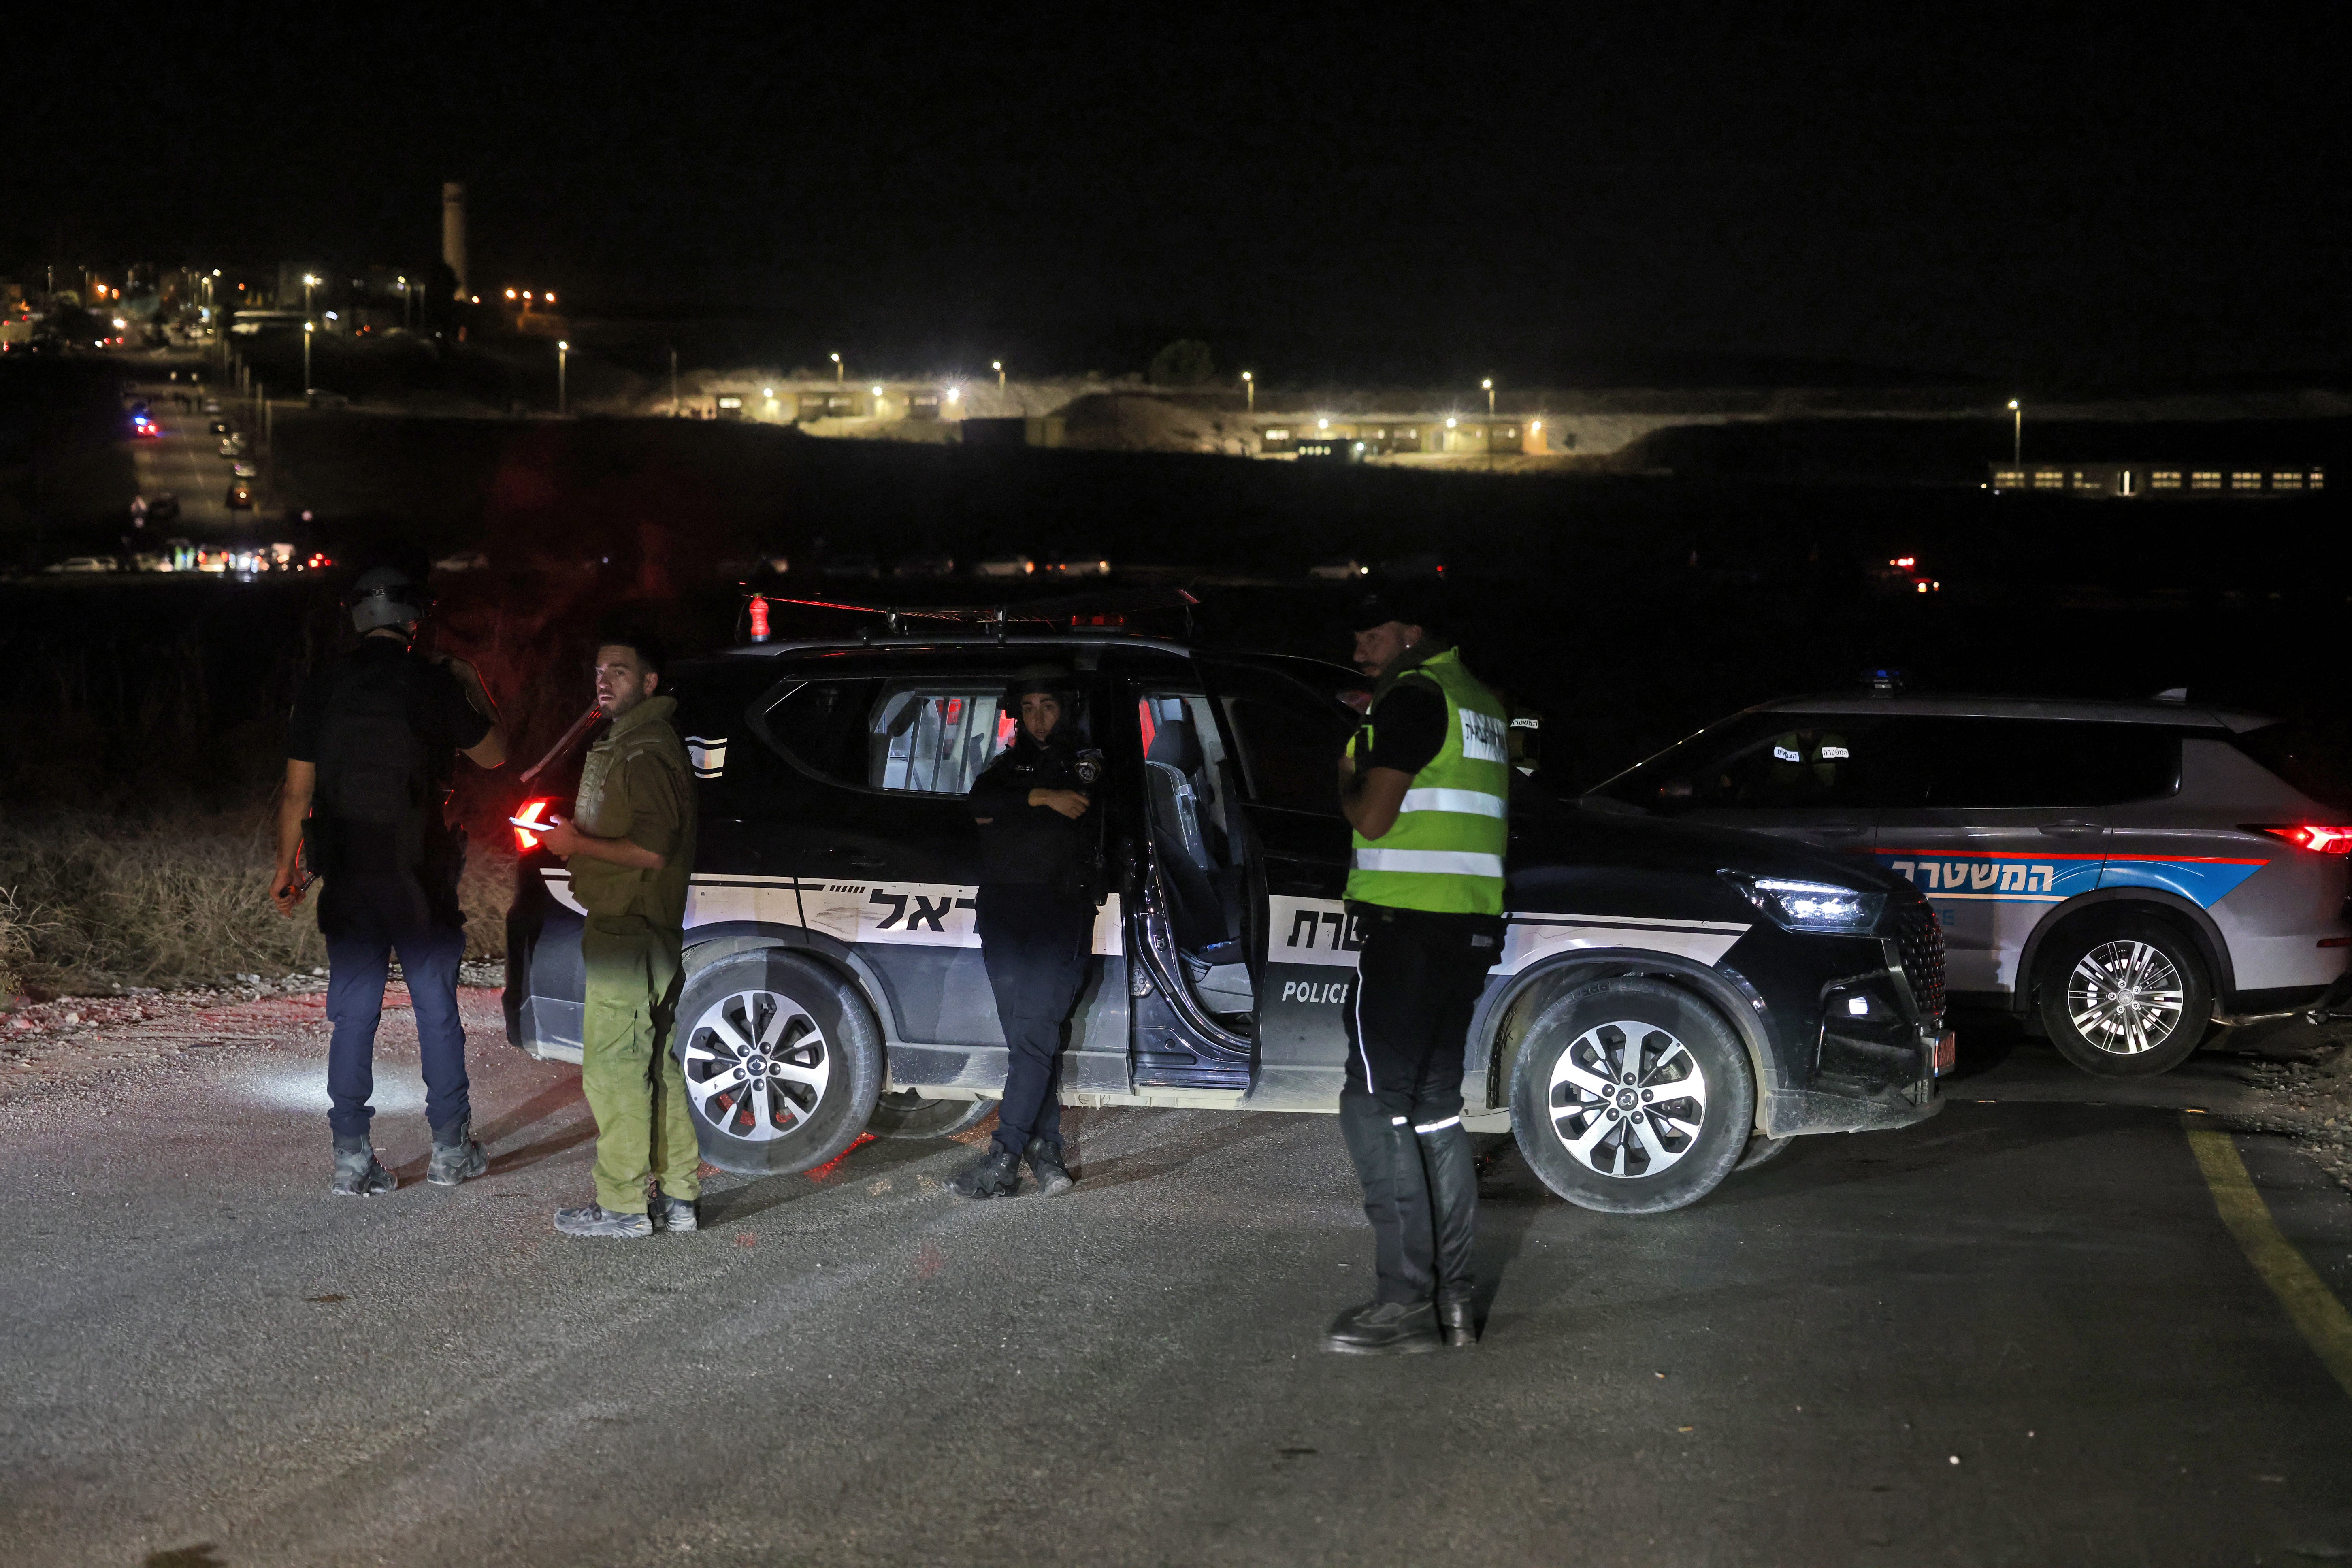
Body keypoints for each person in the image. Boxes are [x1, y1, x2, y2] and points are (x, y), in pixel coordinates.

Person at [272, 563, 508, 1196]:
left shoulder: (323, 684)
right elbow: (496, 752)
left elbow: (298, 794)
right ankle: (451, 1151)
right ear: (413, 616)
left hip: (347, 871)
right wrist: (470, 683)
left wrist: (285, 870)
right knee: (436, 1009)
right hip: (418, 874)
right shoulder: (432, 681)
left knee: (354, 1014)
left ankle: (351, 1158)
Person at [1325, 585, 1510, 1354]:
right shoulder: (1481, 703)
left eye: (1371, 636)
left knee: (1374, 1104)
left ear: (1409, 632)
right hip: (1468, 930)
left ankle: (1403, 1302)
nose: (1360, 649)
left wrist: (1352, 755)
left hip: (1407, 933)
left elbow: (1371, 814)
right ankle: (1453, 1304)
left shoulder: (1411, 700)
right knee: (1435, 1109)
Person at [537, 626, 701, 1240]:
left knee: (613, 1068)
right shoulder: (639, 741)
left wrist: (575, 843)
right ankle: (679, 1198)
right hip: (643, 927)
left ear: (651, 682)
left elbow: (653, 851)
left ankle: (623, 1207)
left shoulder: (644, 748)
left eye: (620, 672)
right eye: (599, 671)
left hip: (628, 931)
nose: (603, 682)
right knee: (657, 1065)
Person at [947, 667, 1102, 1199]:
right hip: (1005, 915)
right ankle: (1049, 1152)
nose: (1039, 718)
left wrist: (1022, 808)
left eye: (1049, 706)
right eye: (1030, 707)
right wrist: (1038, 800)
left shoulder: (1085, 762)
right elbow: (980, 805)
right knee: (1029, 1042)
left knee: (1034, 1036)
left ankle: (1003, 1158)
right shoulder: (1009, 768)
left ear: (1066, 709)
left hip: (1056, 915)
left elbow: (1075, 807)